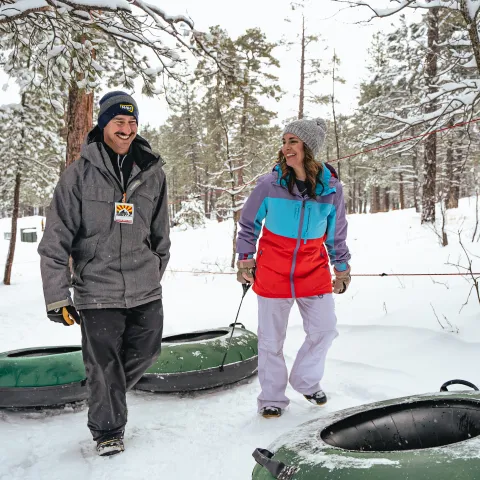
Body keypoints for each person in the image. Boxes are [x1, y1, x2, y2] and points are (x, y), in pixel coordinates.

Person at [38, 91, 170, 455]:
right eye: (118, 122)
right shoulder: (78, 175)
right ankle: (108, 429)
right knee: (103, 362)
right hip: (97, 288)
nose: (126, 130)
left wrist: (154, 269)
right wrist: (56, 295)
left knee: (148, 351)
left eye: (132, 122)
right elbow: (55, 238)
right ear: (103, 124)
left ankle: (103, 394)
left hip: (144, 286)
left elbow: (162, 234)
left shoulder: (153, 173)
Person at [235, 117, 351, 418]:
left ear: (309, 148)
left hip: (314, 269)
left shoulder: (331, 189)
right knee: (271, 340)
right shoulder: (270, 184)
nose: (286, 148)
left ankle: (306, 380)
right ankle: (272, 397)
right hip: (273, 271)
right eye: (284, 141)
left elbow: (336, 233)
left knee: (325, 330)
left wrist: (342, 268)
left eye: (293, 142)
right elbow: (249, 222)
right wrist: (245, 258)